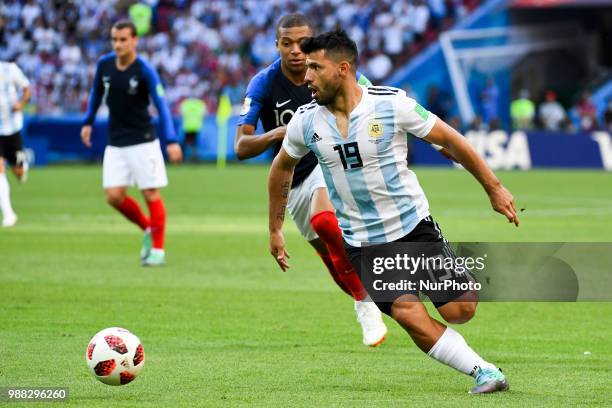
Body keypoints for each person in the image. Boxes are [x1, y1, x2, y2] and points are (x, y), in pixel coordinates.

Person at [268, 29, 519, 394]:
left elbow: (450, 138)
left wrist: (494, 189)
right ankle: (484, 371)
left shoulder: (390, 105)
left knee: (460, 310)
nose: (306, 77)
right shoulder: (306, 121)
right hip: (363, 243)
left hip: (412, 226)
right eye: (306, 68)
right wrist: (276, 228)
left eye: (315, 68)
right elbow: (281, 168)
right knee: (408, 314)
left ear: (342, 69)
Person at [235, 14, 388, 347]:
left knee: (325, 222)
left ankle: (369, 300)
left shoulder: (327, 70)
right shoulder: (264, 83)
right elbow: (241, 146)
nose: (295, 51)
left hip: (332, 162)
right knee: (331, 257)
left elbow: (377, 102)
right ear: (276, 45)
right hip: (294, 178)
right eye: (286, 43)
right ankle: (362, 299)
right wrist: (278, 133)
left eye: (301, 42)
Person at [81, 20, 183, 266]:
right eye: (114, 40)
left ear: (135, 40)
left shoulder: (144, 69)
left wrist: (170, 139)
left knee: (150, 193)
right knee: (114, 196)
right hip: (116, 142)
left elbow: (161, 105)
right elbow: (96, 93)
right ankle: (149, 228)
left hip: (143, 141)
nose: (118, 44)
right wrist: (88, 121)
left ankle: (158, 250)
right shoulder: (104, 65)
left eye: (123, 39)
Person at [0, 60, 31, 227]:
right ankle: (8, 214)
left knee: (19, 173)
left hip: (12, 128)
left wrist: (21, 103)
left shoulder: (9, 69)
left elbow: (27, 88)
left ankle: (22, 166)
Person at [180, 96, 206, 162]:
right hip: (196, 127)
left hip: (187, 127)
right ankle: (194, 158)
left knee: (185, 144)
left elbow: (181, 114)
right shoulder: (200, 104)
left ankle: (182, 158)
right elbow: (204, 114)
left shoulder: (185, 104)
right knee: (195, 145)